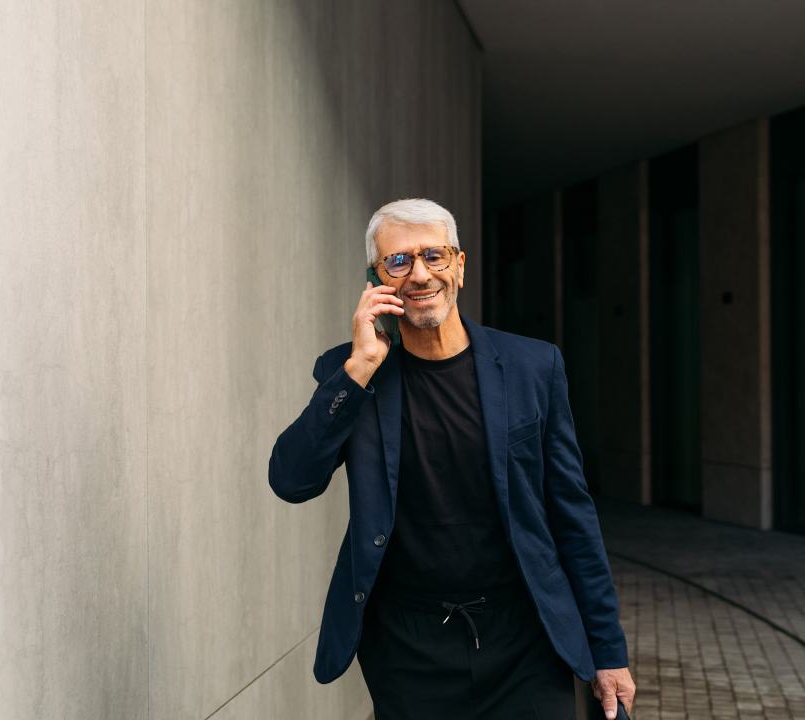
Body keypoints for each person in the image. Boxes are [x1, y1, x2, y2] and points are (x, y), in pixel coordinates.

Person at [268, 198, 635, 719]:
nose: (419, 274)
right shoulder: (352, 372)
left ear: (459, 267)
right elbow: (290, 480)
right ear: (377, 279)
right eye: (398, 261)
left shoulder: (534, 367)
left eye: (434, 256)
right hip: (407, 647)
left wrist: (608, 650)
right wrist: (359, 370)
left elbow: (572, 516)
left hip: (525, 637)